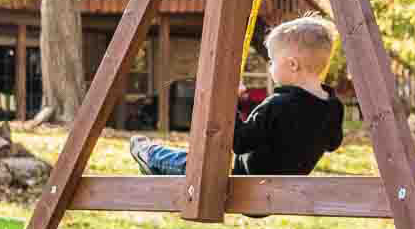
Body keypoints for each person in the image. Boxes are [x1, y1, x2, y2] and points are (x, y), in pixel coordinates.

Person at [128, 14, 345, 177]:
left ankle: (149, 154)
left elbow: (240, 143)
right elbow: (332, 143)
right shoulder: (333, 106)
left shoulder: (279, 104)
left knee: (195, 164)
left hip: (246, 183)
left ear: (293, 65)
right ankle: (153, 160)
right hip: (286, 190)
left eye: (272, 61)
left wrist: (228, 103)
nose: (270, 67)